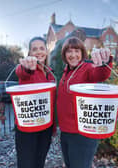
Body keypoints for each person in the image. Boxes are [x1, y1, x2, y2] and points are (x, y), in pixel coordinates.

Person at [57, 37, 112, 168]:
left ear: (82, 53)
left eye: (77, 51)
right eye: (69, 51)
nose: (73, 55)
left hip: (83, 133)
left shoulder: (87, 68)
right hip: (66, 131)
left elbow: (100, 73)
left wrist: (104, 63)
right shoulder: (66, 71)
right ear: (64, 54)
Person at [15, 36, 56, 168]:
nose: (39, 52)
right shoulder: (29, 70)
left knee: (40, 162)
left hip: (46, 127)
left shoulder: (50, 73)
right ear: (30, 53)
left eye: (42, 48)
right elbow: (21, 72)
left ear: (46, 51)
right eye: (34, 49)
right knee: (26, 164)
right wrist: (27, 67)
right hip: (28, 128)